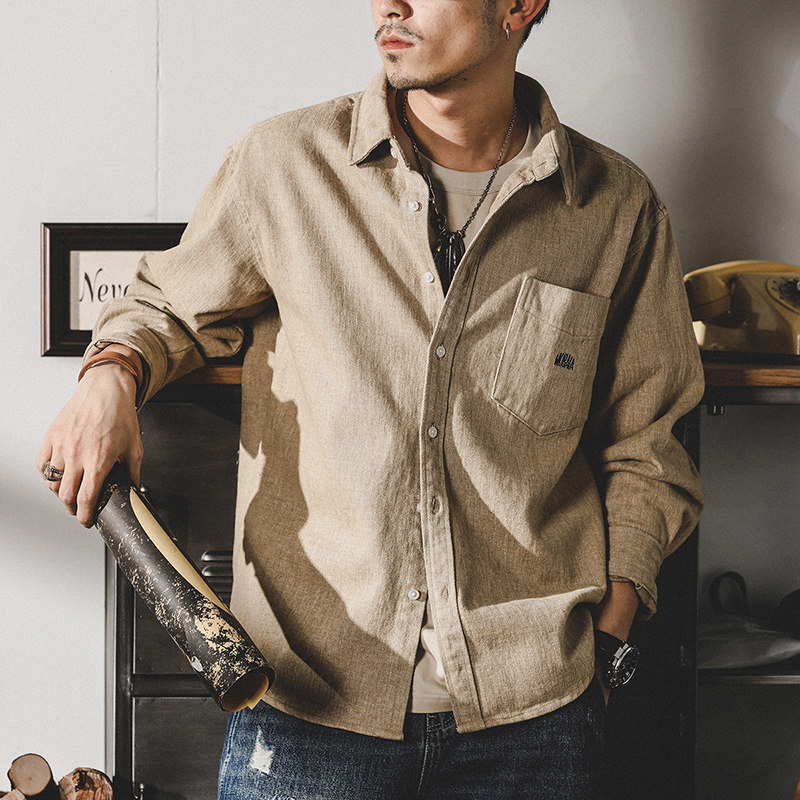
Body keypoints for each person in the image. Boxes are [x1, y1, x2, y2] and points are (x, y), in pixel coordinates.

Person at [37, 0, 704, 797]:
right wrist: (110, 375)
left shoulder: (616, 207)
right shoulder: (286, 165)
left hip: (536, 722)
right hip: (304, 709)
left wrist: (610, 636)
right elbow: (163, 307)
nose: (391, 4)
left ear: (519, 6)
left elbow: (648, 446)